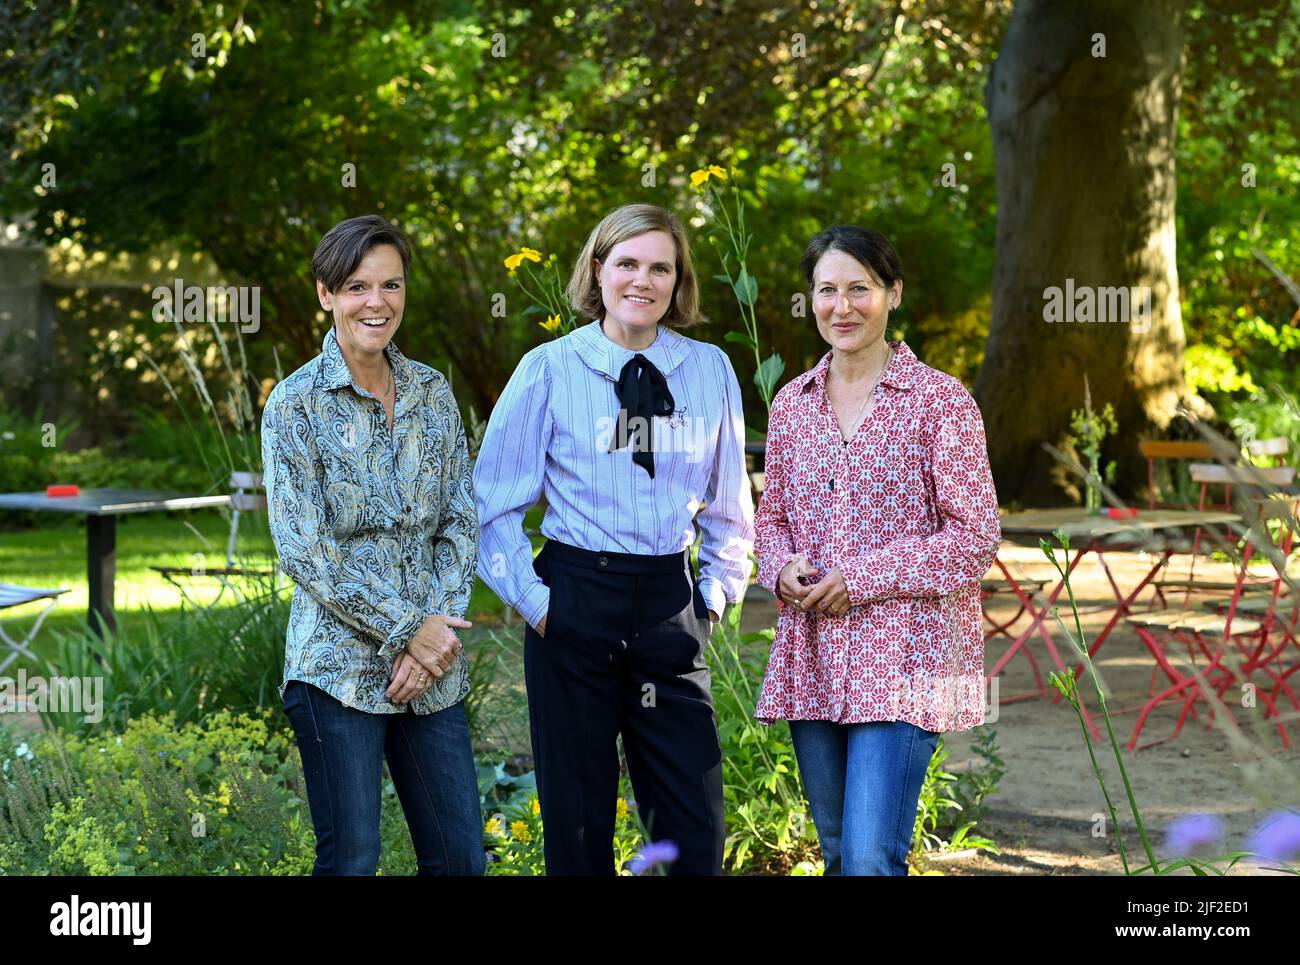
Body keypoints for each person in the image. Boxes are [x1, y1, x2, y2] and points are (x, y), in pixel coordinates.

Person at [474, 203, 755, 875]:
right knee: (577, 824)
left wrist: (712, 599)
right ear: (598, 271)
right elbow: (492, 505)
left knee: (693, 825)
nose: (643, 280)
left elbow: (728, 508)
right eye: (627, 263)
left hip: (669, 605)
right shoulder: (548, 369)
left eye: (661, 267)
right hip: (575, 603)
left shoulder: (709, 369)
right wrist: (541, 606)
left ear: (678, 281)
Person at [753, 224, 1001, 876]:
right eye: (827, 290)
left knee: (868, 857)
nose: (842, 306)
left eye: (858, 288)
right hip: (814, 658)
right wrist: (780, 567)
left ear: (892, 292)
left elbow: (975, 537)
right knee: (839, 853)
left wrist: (860, 577)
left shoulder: (941, 401)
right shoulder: (791, 406)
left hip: (905, 661)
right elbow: (770, 518)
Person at [262, 214, 484, 875]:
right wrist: (409, 628)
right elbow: (306, 548)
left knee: (460, 859)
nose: (377, 302)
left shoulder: (432, 393)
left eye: (391, 285)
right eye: (357, 286)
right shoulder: (295, 404)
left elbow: (460, 521)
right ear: (327, 295)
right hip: (334, 671)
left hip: (430, 675)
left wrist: (433, 637)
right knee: (352, 860)